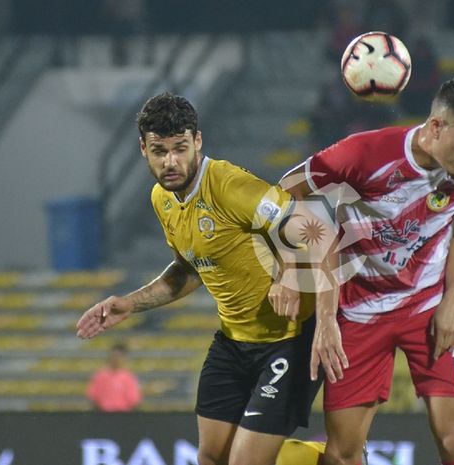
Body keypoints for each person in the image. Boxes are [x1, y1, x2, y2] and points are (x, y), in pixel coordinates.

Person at [76, 92, 339, 465]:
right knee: (211, 458)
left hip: (287, 341)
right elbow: (189, 270)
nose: (171, 161)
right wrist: (129, 303)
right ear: (143, 149)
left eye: (180, 148)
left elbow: (319, 228)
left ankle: (335, 460)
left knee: (245, 462)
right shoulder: (161, 199)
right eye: (159, 150)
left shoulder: (230, 186)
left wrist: (291, 273)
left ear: (197, 141)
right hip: (233, 345)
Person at [280, 77, 454, 465]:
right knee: (343, 452)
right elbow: (290, 189)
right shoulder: (365, 153)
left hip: (428, 307)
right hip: (360, 310)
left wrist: (453, 301)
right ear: (435, 126)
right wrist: (302, 281)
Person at [86, 341, 142, 412]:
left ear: (124, 358)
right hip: (103, 414)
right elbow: (93, 397)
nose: (115, 359)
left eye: (119, 356)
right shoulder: (100, 376)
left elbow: (134, 400)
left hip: (122, 415)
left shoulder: (129, 377)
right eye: (114, 356)